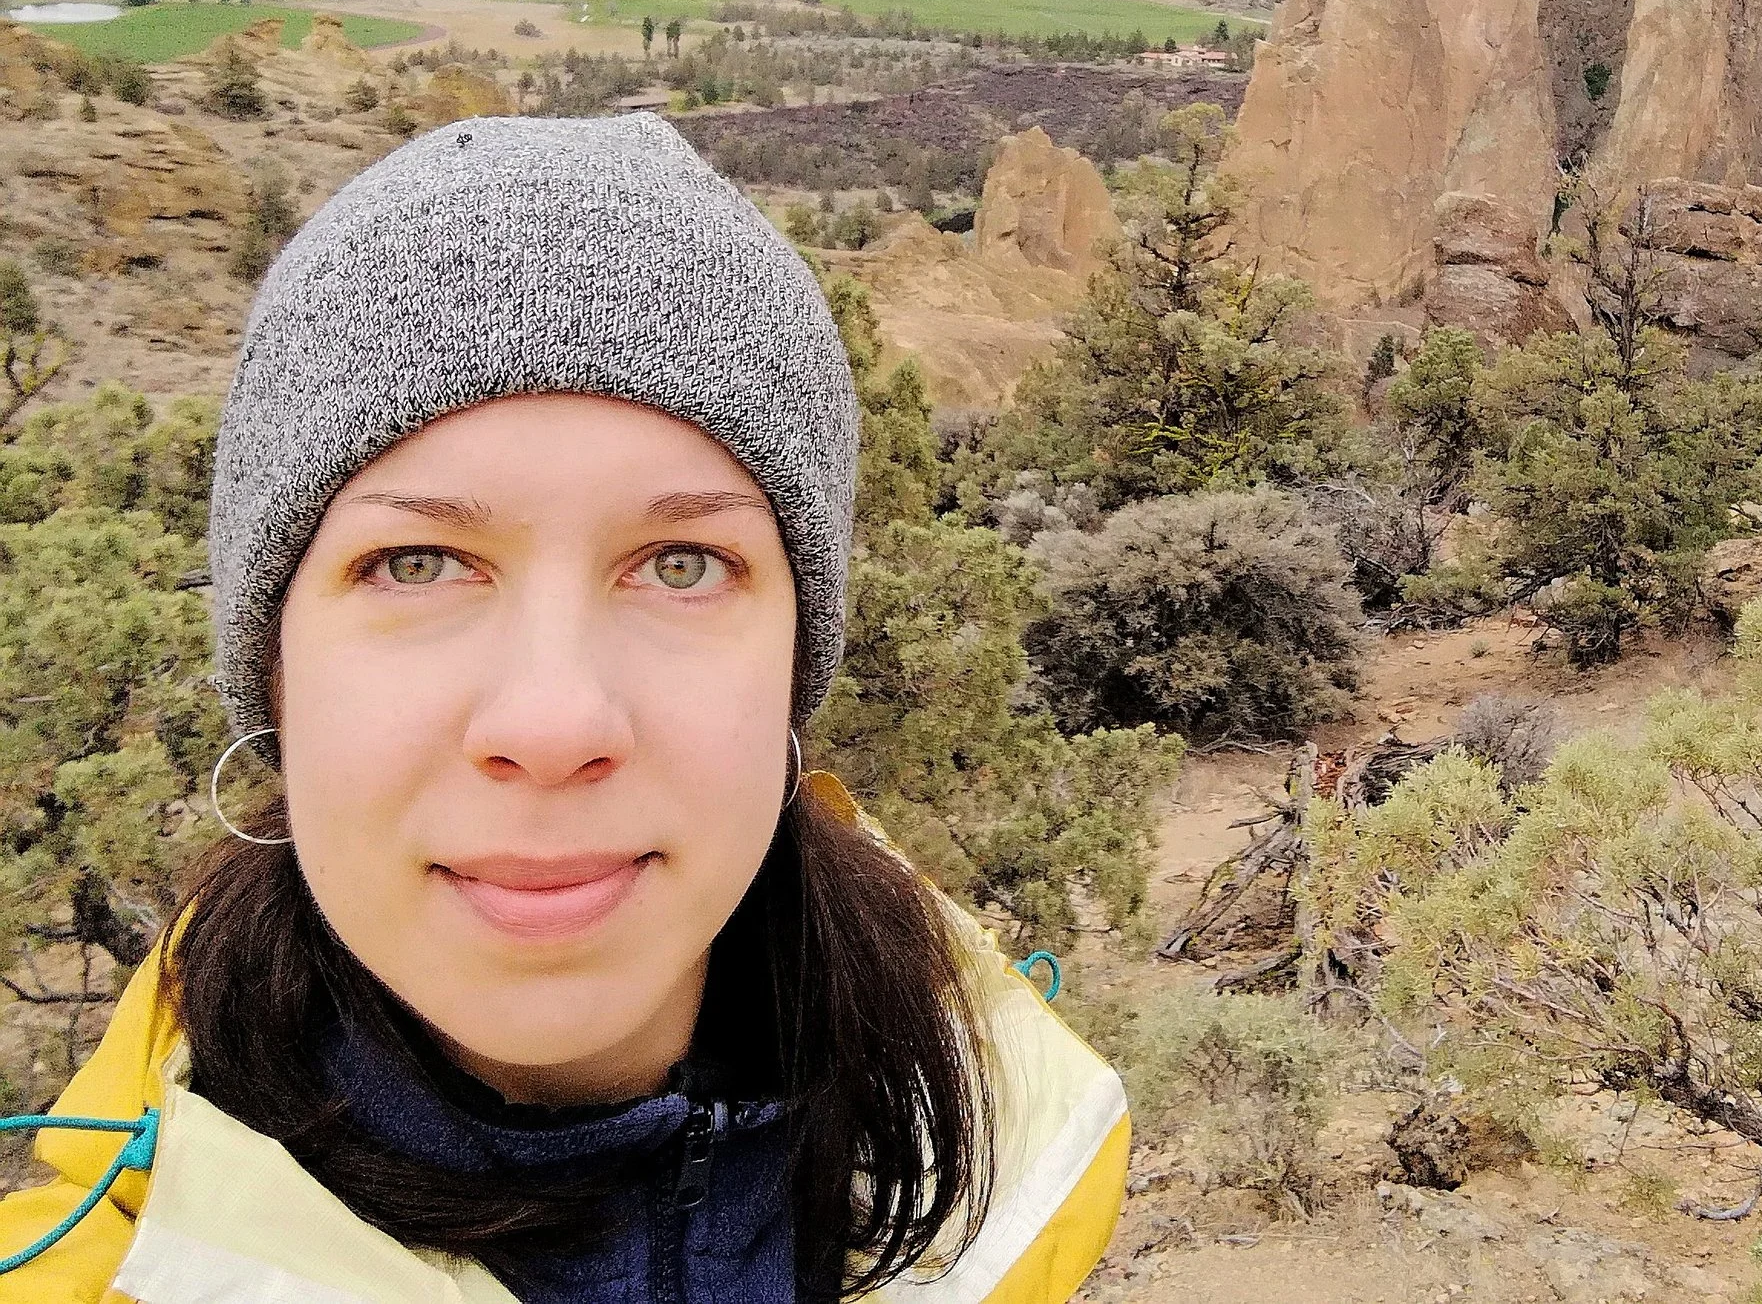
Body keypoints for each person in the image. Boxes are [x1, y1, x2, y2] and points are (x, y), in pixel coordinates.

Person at [0, 116, 1128, 1303]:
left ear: (799, 657)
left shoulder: (1011, 1169)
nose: (551, 724)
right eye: (418, 564)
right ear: (271, 662)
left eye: (682, 564)